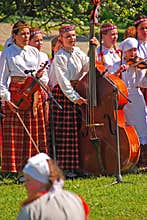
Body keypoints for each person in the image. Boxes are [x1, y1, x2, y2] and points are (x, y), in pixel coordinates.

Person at [0, 21, 48, 176]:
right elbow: (2, 78)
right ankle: (17, 169)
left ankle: (34, 169)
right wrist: (7, 98)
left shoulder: (34, 52)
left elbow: (38, 75)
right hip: (16, 93)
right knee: (17, 133)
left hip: (33, 92)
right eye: (22, 34)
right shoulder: (7, 53)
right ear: (14, 36)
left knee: (34, 133)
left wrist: (39, 76)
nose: (26, 37)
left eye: (28, 33)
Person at [48, 24, 89, 177]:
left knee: (76, 130)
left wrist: (92, 48)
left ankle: (77, 166)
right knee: (65, 132)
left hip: (77, 91)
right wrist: (75, 98)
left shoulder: (78, 52)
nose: (72, 39)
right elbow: (63, 82)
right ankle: (64, 168)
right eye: (68, 37)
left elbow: (88, 66)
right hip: (63, 95)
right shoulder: (59, 56)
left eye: (73, 35)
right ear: (61, 39)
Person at [16, 153, 89, 220]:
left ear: (40, 181)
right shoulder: (76, 200)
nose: (25, 185)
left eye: (28, 180)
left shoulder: (31, 209)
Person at [113, 37, 147, 168]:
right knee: (127, 128)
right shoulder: (117, 65)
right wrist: (118, 72)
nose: (133, 53)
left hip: (136, 98)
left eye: (135, 50)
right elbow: (110, 79)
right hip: (123, 99)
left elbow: (142, 83)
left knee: (141, 127)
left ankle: (143, 160)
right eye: (130, 50)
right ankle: (130, 158)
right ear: (124, 52)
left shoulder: (137, 65)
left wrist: (142, 71)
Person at [29, 27, 50, 128]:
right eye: (36, 40)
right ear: (29, 42)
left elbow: (46, 76)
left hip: (42, 91)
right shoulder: (26, 55)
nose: (40, 43)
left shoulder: (44, 56)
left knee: (42, 124)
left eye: (41, 40)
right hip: (29, 91)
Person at [134, 15, 147, 104]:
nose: (145, 31)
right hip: (140, 86)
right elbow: (136, 62)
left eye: (146, 28)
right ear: (136, 30)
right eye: (142, 28)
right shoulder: (134, 45)